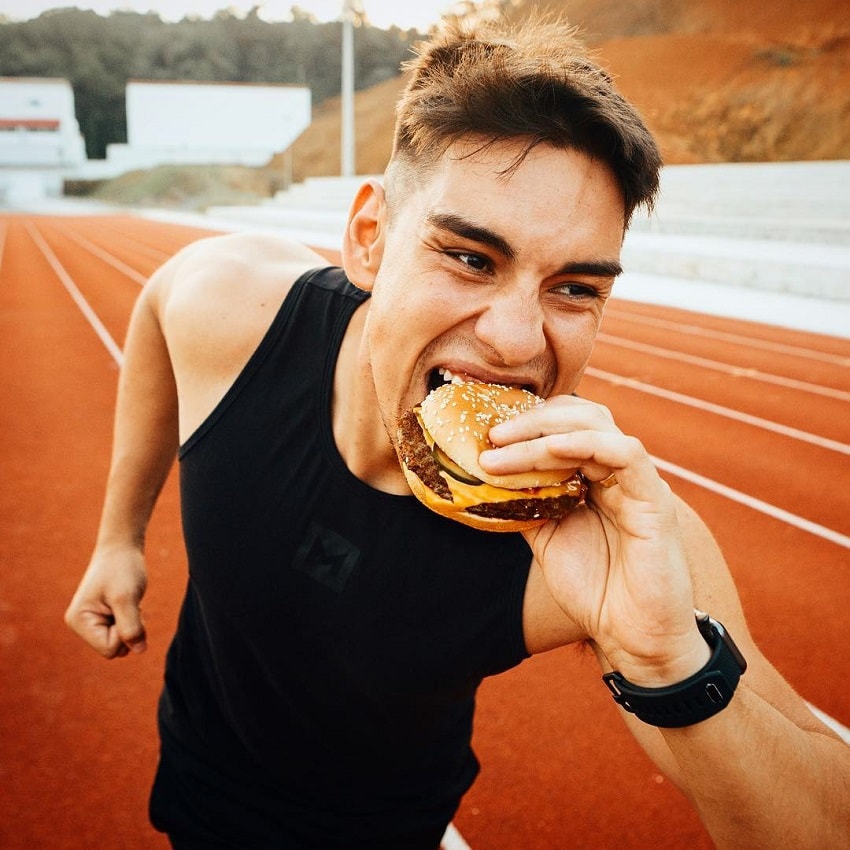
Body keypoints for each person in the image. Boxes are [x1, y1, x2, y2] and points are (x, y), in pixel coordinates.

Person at [65, 13, 849, 850]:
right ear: (370, 239)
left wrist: (667, 662)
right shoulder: (239, 310)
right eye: (472, 258)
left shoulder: (613, 536)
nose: (516, 340)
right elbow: (154, 309)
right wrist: (119, 537)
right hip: (196, 786)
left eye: (576, 288)